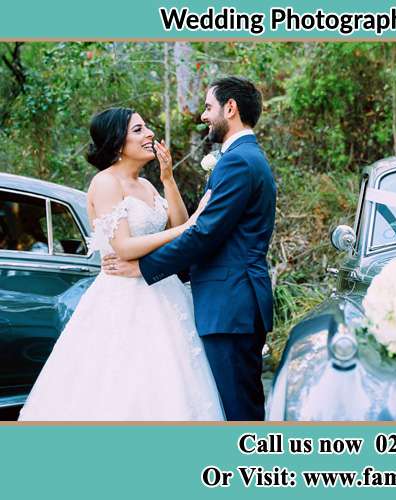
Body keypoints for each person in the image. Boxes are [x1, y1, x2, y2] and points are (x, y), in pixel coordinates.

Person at [18, 107, 223, 421]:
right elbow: (124, 247)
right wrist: (185, 228)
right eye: (138, 130)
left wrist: (168, 180)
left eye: (146, 127)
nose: (150, 134)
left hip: (163, 293)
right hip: (124, 296)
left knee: (171, 380)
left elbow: (180, 226)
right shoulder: (105, 183)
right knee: (120, 382)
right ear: (117, 143)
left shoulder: (147, 185)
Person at [103, 77, 276, 421]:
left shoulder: (238, 162)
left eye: (209, 107)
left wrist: (143, 268)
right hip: (229, 303)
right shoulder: (242, 157)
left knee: (238, 412)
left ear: (231, 109)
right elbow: (201, 230)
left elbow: (204, 233)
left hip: (230, 305)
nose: (203, 116)